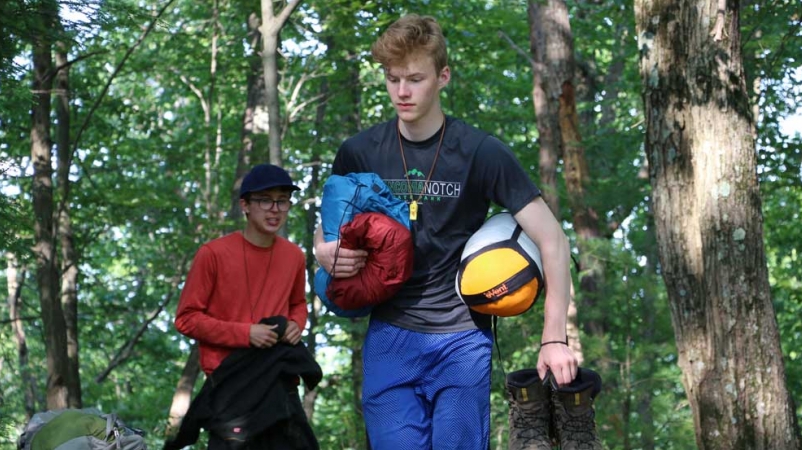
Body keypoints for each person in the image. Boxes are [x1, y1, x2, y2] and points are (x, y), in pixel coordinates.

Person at [313, 14, 578, 450]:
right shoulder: (358, 152)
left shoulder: (480, 152)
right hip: (389, 335)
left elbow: (553, 239)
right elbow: (328, 234)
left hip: (462, 337)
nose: (402, 91)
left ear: (443, 77)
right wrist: (323, 252)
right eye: (393, 79)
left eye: (415, 78)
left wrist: (554, 338)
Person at [175, 163, 308, 376]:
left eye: (282, 201)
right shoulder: (212, 253)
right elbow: (186, 319)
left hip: (278, 372)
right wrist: (245, 333)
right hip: (227, 376)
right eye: (265, 200)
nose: (275, 209)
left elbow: (298, 303)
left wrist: (296, 323)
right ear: (245, 205)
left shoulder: (294, 256)